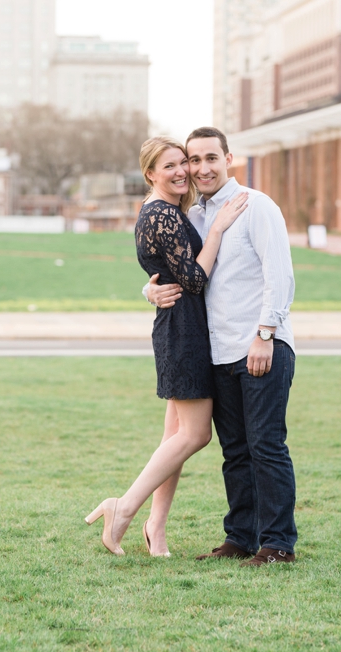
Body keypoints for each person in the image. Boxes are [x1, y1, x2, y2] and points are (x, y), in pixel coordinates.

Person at [85, 136, 248, 556]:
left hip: (180, 325)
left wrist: (149, 289)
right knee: (194, 435)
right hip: (184, 331)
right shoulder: (163, 215)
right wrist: (217, 230)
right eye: (170, 165)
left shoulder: (165, 212)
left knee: (174, 436)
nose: (181, 171)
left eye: (184, 163)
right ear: (150, 174)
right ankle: (121, 508)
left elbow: (165, 273)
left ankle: (155, 528)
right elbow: (193, 280)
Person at [146, 127, 298, 567]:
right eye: (193, 160)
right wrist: (149, 291)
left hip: (260, 345)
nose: (201, 168)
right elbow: (181, 273)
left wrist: (266, 333)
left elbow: (280, 275)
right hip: (216, 351)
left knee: (266, 445)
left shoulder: (256, 205)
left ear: (228, 159)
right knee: (235, 449)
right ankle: (240, 537)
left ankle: (278, 545)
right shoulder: (192, 217)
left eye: (211, 158)